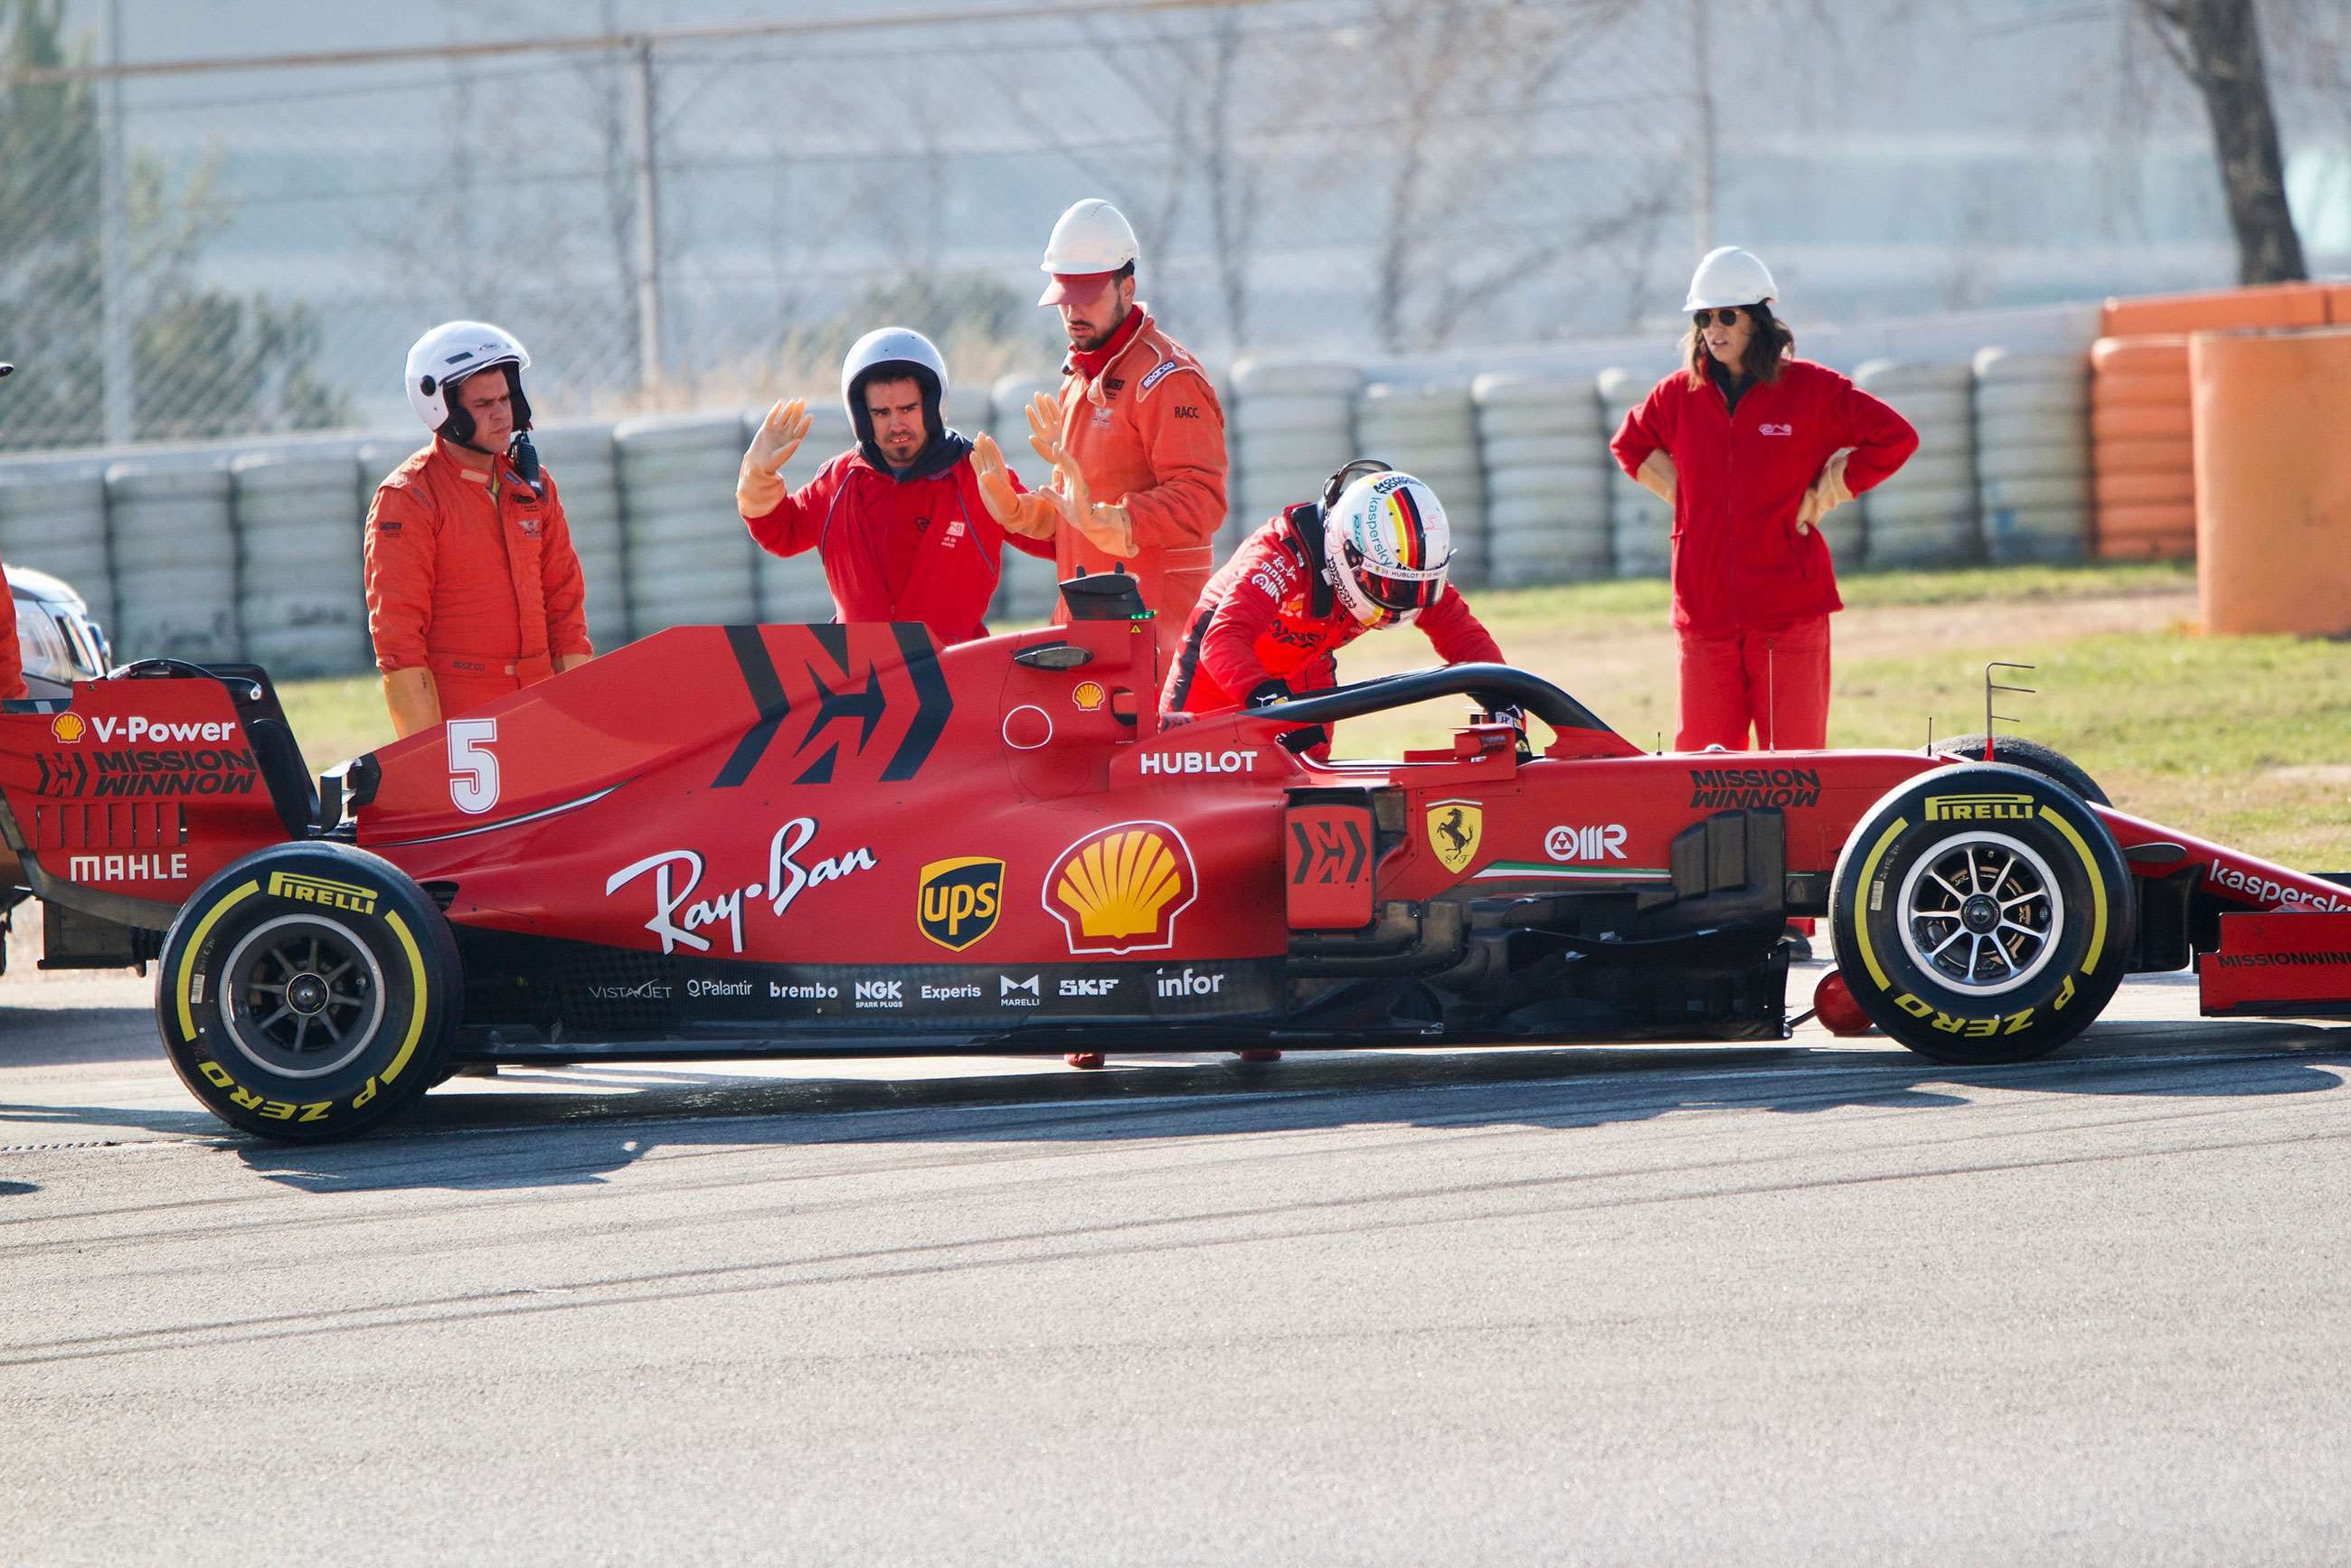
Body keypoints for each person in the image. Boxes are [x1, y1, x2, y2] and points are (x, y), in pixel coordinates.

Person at [1609, 247, 1917, 958]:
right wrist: (1683, 500)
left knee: (1794, 770)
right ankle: (1711, 919)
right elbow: (1630, 447)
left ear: (1759, 320)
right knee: (1703, 772)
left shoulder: (1813, 391)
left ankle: (1792, 923)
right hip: (1706, 618)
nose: (1714, 329)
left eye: (1728, 316)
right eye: (1704, 318)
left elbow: (1895, 438)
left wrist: (1829, 490)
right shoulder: (1672, 397)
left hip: (1789, 614)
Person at [738, 328, 1057, 645]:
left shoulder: (979, 474)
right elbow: (780, 534)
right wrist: (758, 479)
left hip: (957, 674)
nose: (896, 425)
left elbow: (1057, 540)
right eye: (881, 413)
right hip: (860, 677)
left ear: (932, 407)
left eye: (908, 409)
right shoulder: (838, 480)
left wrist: (1076, 494)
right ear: (863, 417)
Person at [1163, 462, 1512, 751]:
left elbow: (1462, 633)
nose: (1399, 599)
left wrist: (1504, 699)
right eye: (1386, 585)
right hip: (1218, 672)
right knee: (1185, 777)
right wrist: (1275, 711)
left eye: (1411, 587)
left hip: (1307, 667)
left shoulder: (1408, 569)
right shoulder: (1280, 554)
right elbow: (1222, 639)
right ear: (1346, 553)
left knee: (1311, 794)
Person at [1020, 198, 1228, 664]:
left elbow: (1202, 498)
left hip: (1156, 632)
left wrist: (1119, 520)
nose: (1073, 311)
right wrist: (1019, 513)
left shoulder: (1167, 380)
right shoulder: (1078, 378)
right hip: (1088, 622)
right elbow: (1078, 516)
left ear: (1127, 287)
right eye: (1065, 297)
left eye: (1088, 295)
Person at [366, 321, 592, 739]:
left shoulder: (535, 487)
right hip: (464, 718)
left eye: (506, 398)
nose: (502, 413)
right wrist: (426, 752)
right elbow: (398, 639)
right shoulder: (409, 497)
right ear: (444, 408)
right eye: (484, 403)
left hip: (543, 703)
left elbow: (566, 609)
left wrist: (582, 717)